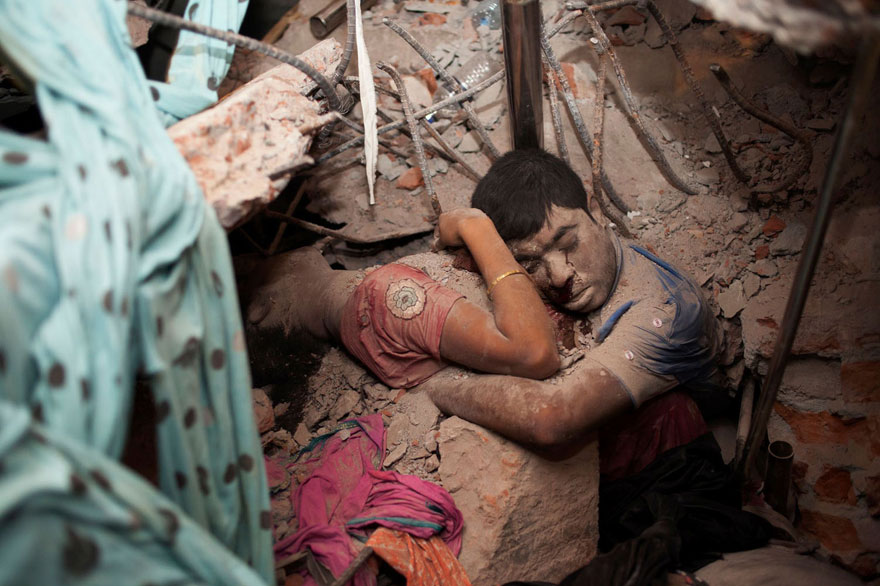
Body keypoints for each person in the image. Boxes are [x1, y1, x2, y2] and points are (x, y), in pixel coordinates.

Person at [423, 149, 721, 469]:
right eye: (530, 263)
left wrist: (438, 387)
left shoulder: (664, 313)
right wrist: (471, 226)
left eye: (568, 244)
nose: (559, 276)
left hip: (674, 450)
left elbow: (554, 418)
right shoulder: (599, 265)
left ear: (596, 211)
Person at [263, 208, 561, 390]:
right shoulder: (382, 295)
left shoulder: (374, 303)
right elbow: (533, 353)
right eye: (247, 268)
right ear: (260, 309)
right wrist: (475, 225)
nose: (253, 259)